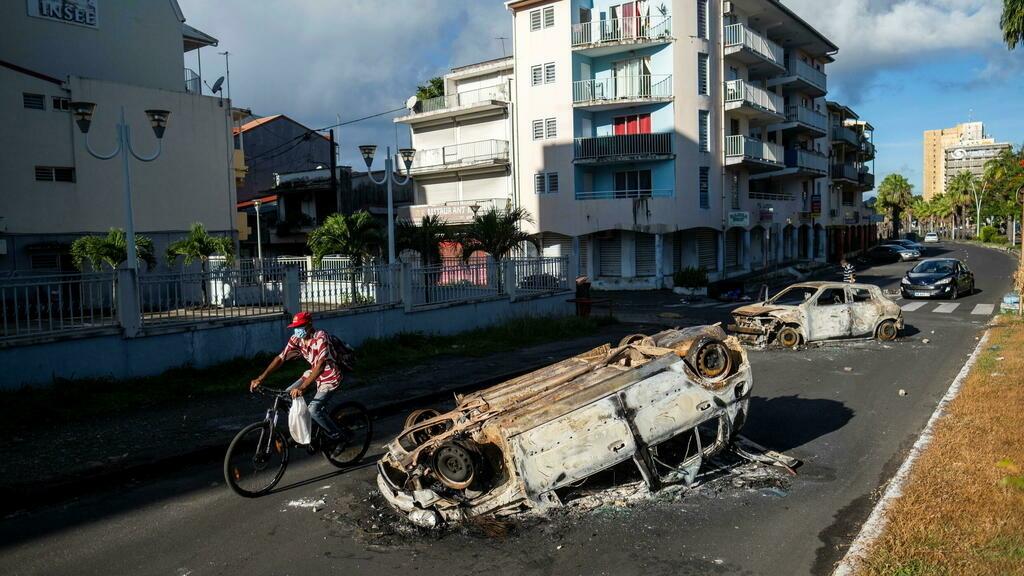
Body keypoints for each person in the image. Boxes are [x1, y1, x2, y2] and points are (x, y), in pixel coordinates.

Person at [250, 311, 349, 451]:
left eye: (300, 326)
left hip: (330, 375)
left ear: (309, 325)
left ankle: (338, 436)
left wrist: (303, 387)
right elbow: (281, 358)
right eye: (295, 327)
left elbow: (321, 366)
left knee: (314, 409)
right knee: (285, 396)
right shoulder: (297, 339)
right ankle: (305, 429)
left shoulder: (321, 338)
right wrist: (261, 377)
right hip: (312, 373)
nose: (297, 330)